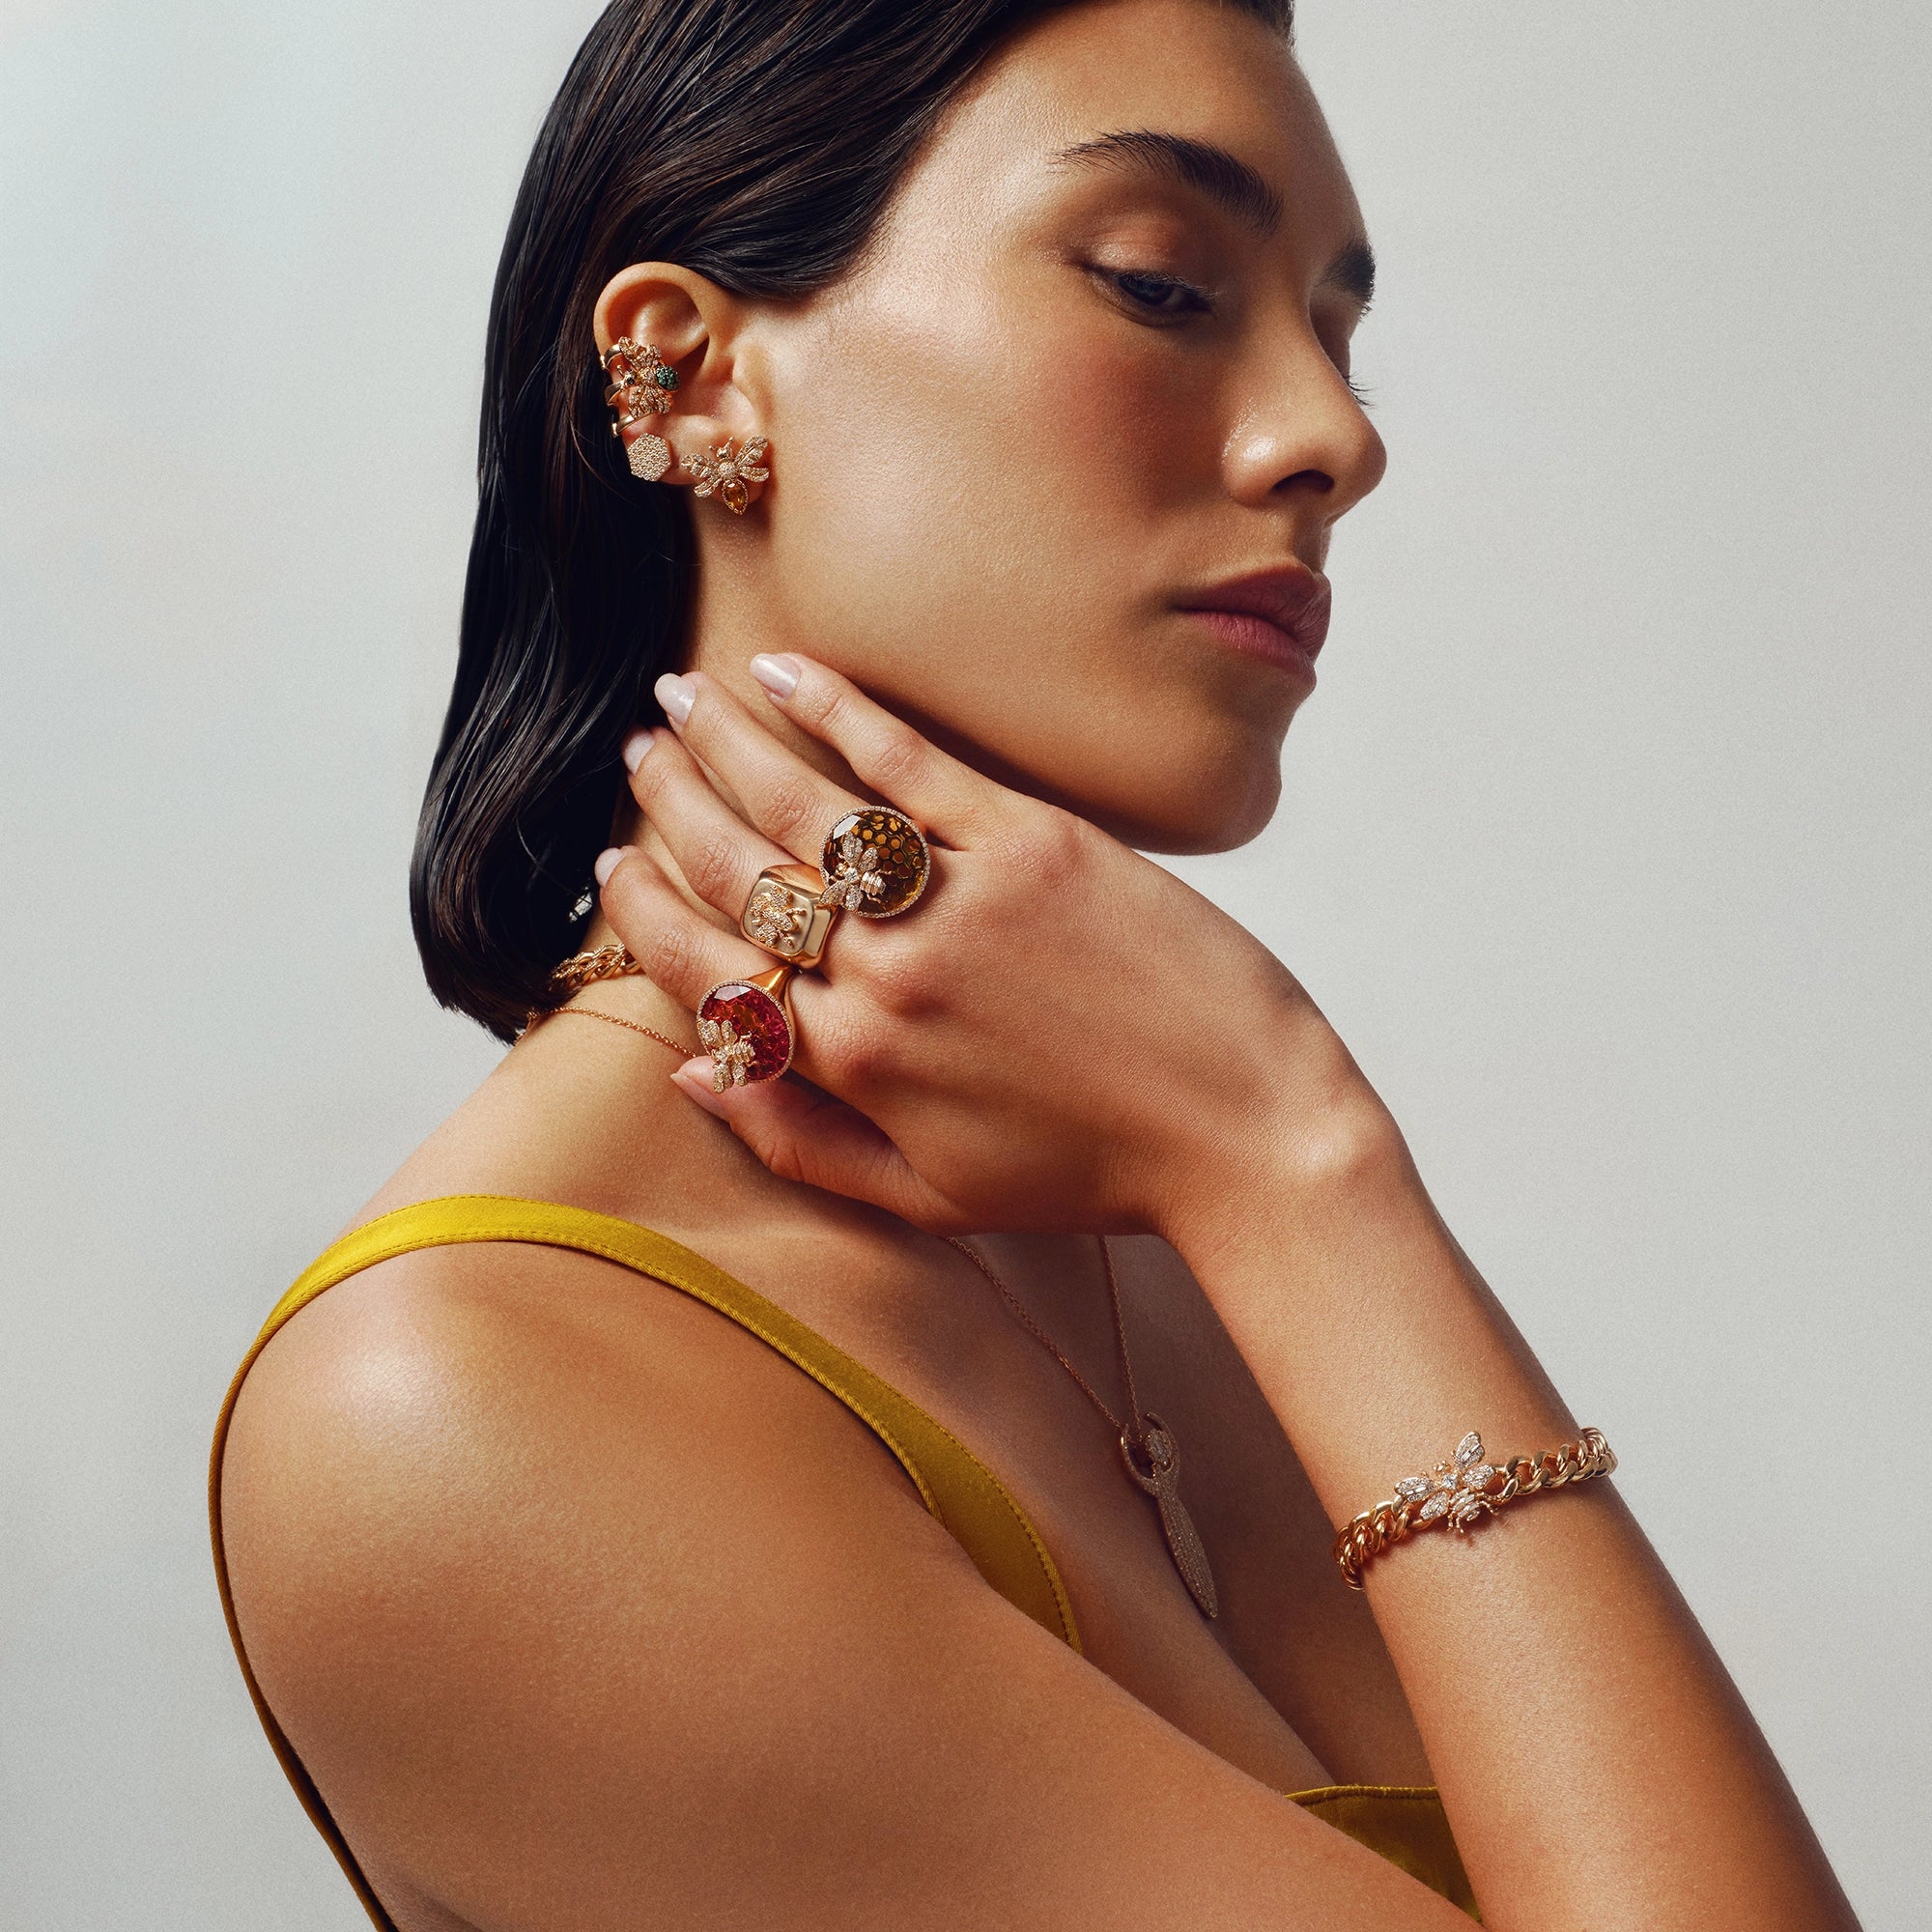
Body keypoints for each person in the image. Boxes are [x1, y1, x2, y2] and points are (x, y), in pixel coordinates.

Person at [209, 1, 1861, 1927]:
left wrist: (1262, 1181)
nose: (1336, 438)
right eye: (1163, 285)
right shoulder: (461, 1409)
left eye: (1336, 331)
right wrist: (1294, 1157)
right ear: (694, 372)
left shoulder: (1134, 1203)